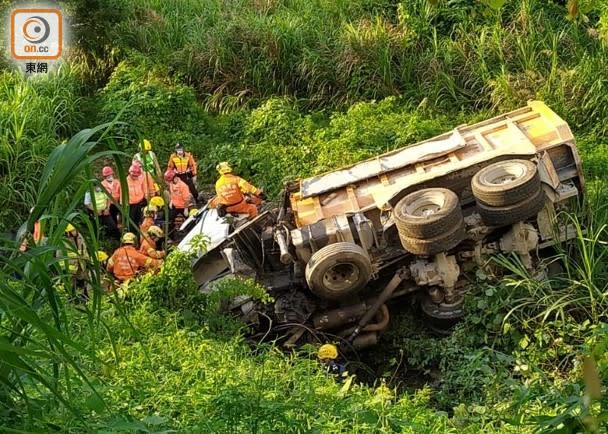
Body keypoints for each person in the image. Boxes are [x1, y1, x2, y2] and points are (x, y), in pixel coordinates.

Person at [57, 223, 90, 301]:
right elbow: (59, 255)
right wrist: (63, 267)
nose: (73, 232)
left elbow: (84, 249)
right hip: (70, 265)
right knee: (71, 283)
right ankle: (71, 298)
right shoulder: (64, 241)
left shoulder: (80, 237)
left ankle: (83, 297)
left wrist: (87, 259)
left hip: (81, 263)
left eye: (74, 230)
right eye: (71, 231)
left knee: (83, 281)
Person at [126, 163, 155, 229]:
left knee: (139, 219)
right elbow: (123, 194)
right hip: (130, 204)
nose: (135, 177)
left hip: (140, 202)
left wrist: (149, 199)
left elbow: (145, 189)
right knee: (131, 220)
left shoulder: (141, 179)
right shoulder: (126, 181)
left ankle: (138, 233)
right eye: (134, 176)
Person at [164, 169, 193, 237]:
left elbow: (186, 198)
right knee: (169, 220)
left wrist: (186, 208)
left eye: (168, 181)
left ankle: (189, 234)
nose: (168, 183)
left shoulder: (183, 186)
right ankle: (171, 236)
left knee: (189, 220)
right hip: (175, 205)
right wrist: (171, 201)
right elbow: (172, 193)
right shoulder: (171, 184)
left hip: (183, 206)